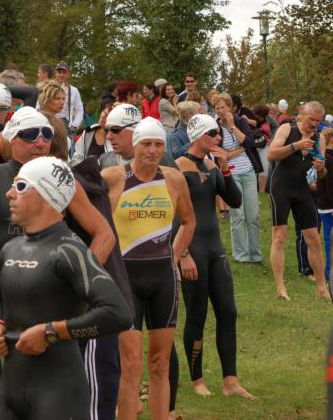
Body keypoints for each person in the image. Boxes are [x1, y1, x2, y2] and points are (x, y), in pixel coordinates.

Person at [0, 108, 116, 420]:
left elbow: (104, 233)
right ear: (12, 138)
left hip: (44, 298)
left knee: (37, 388)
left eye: (46, 134)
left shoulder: (58, 179)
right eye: (29, 135)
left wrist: (83, 278)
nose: (40, 142)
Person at [0, 156, 132, 419]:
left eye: (20, 186)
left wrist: (51, 332)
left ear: (47, 195)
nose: (9, 193)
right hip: (9, 391)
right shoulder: (11, 248)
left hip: (58, 393)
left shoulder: (69, 250)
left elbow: (118, 313)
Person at [102, 117, 196, 420]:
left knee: (160, 363)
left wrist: (175, 255)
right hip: (124, 279)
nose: (153, 150)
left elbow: (189, 221)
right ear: (135, 144)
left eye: (158, 144)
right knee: (130, 365)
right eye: (146, 144)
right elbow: (92, 223)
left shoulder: (173, 179)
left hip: (162, 279)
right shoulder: (114, 178)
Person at [176, 114, 254, 399]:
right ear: (198, 135)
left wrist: (225, 170)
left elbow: (235, 200)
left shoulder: (211, 165)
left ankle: (230, 381)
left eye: (219, 133)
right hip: (192, 250)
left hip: (214, 250)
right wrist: (183, 253)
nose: (219, 138)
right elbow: (174, 215)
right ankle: (197, 380)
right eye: (213, 133)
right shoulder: (177, 167)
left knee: (228, 312)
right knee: (197, 315)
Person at [268, 101, 329, 300]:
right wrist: (296, 146)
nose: (314, 124)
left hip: (302, 190)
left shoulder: (319, 138)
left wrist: (320, 168)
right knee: (279, 236)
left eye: (318, 121)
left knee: (314, 239)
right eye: (312, 119)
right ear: (302, 115)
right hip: (281, 187)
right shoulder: (288, 129)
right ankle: (280, 287)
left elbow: (321, 174)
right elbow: (271, 155)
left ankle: (322, 287)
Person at [215, 93, 262, 265]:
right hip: (231, 173)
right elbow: (220, 155)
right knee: (238, 215)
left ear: (230, 107)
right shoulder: (215, 127)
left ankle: (255, 254)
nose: (220, 110)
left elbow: (249, 142)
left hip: (248, 171)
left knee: (253, 216)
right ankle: (241, 255)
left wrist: (233, 127)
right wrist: (239, 150)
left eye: (223, 107)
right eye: (217, 108)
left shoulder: (240, 121)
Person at [72, 99, 114, 163]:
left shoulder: (117, 139)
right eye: (103, 112)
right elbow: (77, 157)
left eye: (107, 115)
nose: (102, 116)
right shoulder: (88, 131)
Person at [316, 127, 333, 281]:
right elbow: (329, 186)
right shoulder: (328, 159)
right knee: (329, 239)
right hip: (328, 206)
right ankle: (329, 271)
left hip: (324, 204)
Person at [53, 62, 84, 137]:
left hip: (67, 129)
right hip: (51, 126)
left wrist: (75, 125)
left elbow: (79, 110)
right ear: (55, 73)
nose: (61, 75)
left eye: (64, 72)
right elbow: (39, 107)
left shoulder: (74, 90)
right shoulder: (48, 89)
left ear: (68, 74)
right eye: (59, 72)